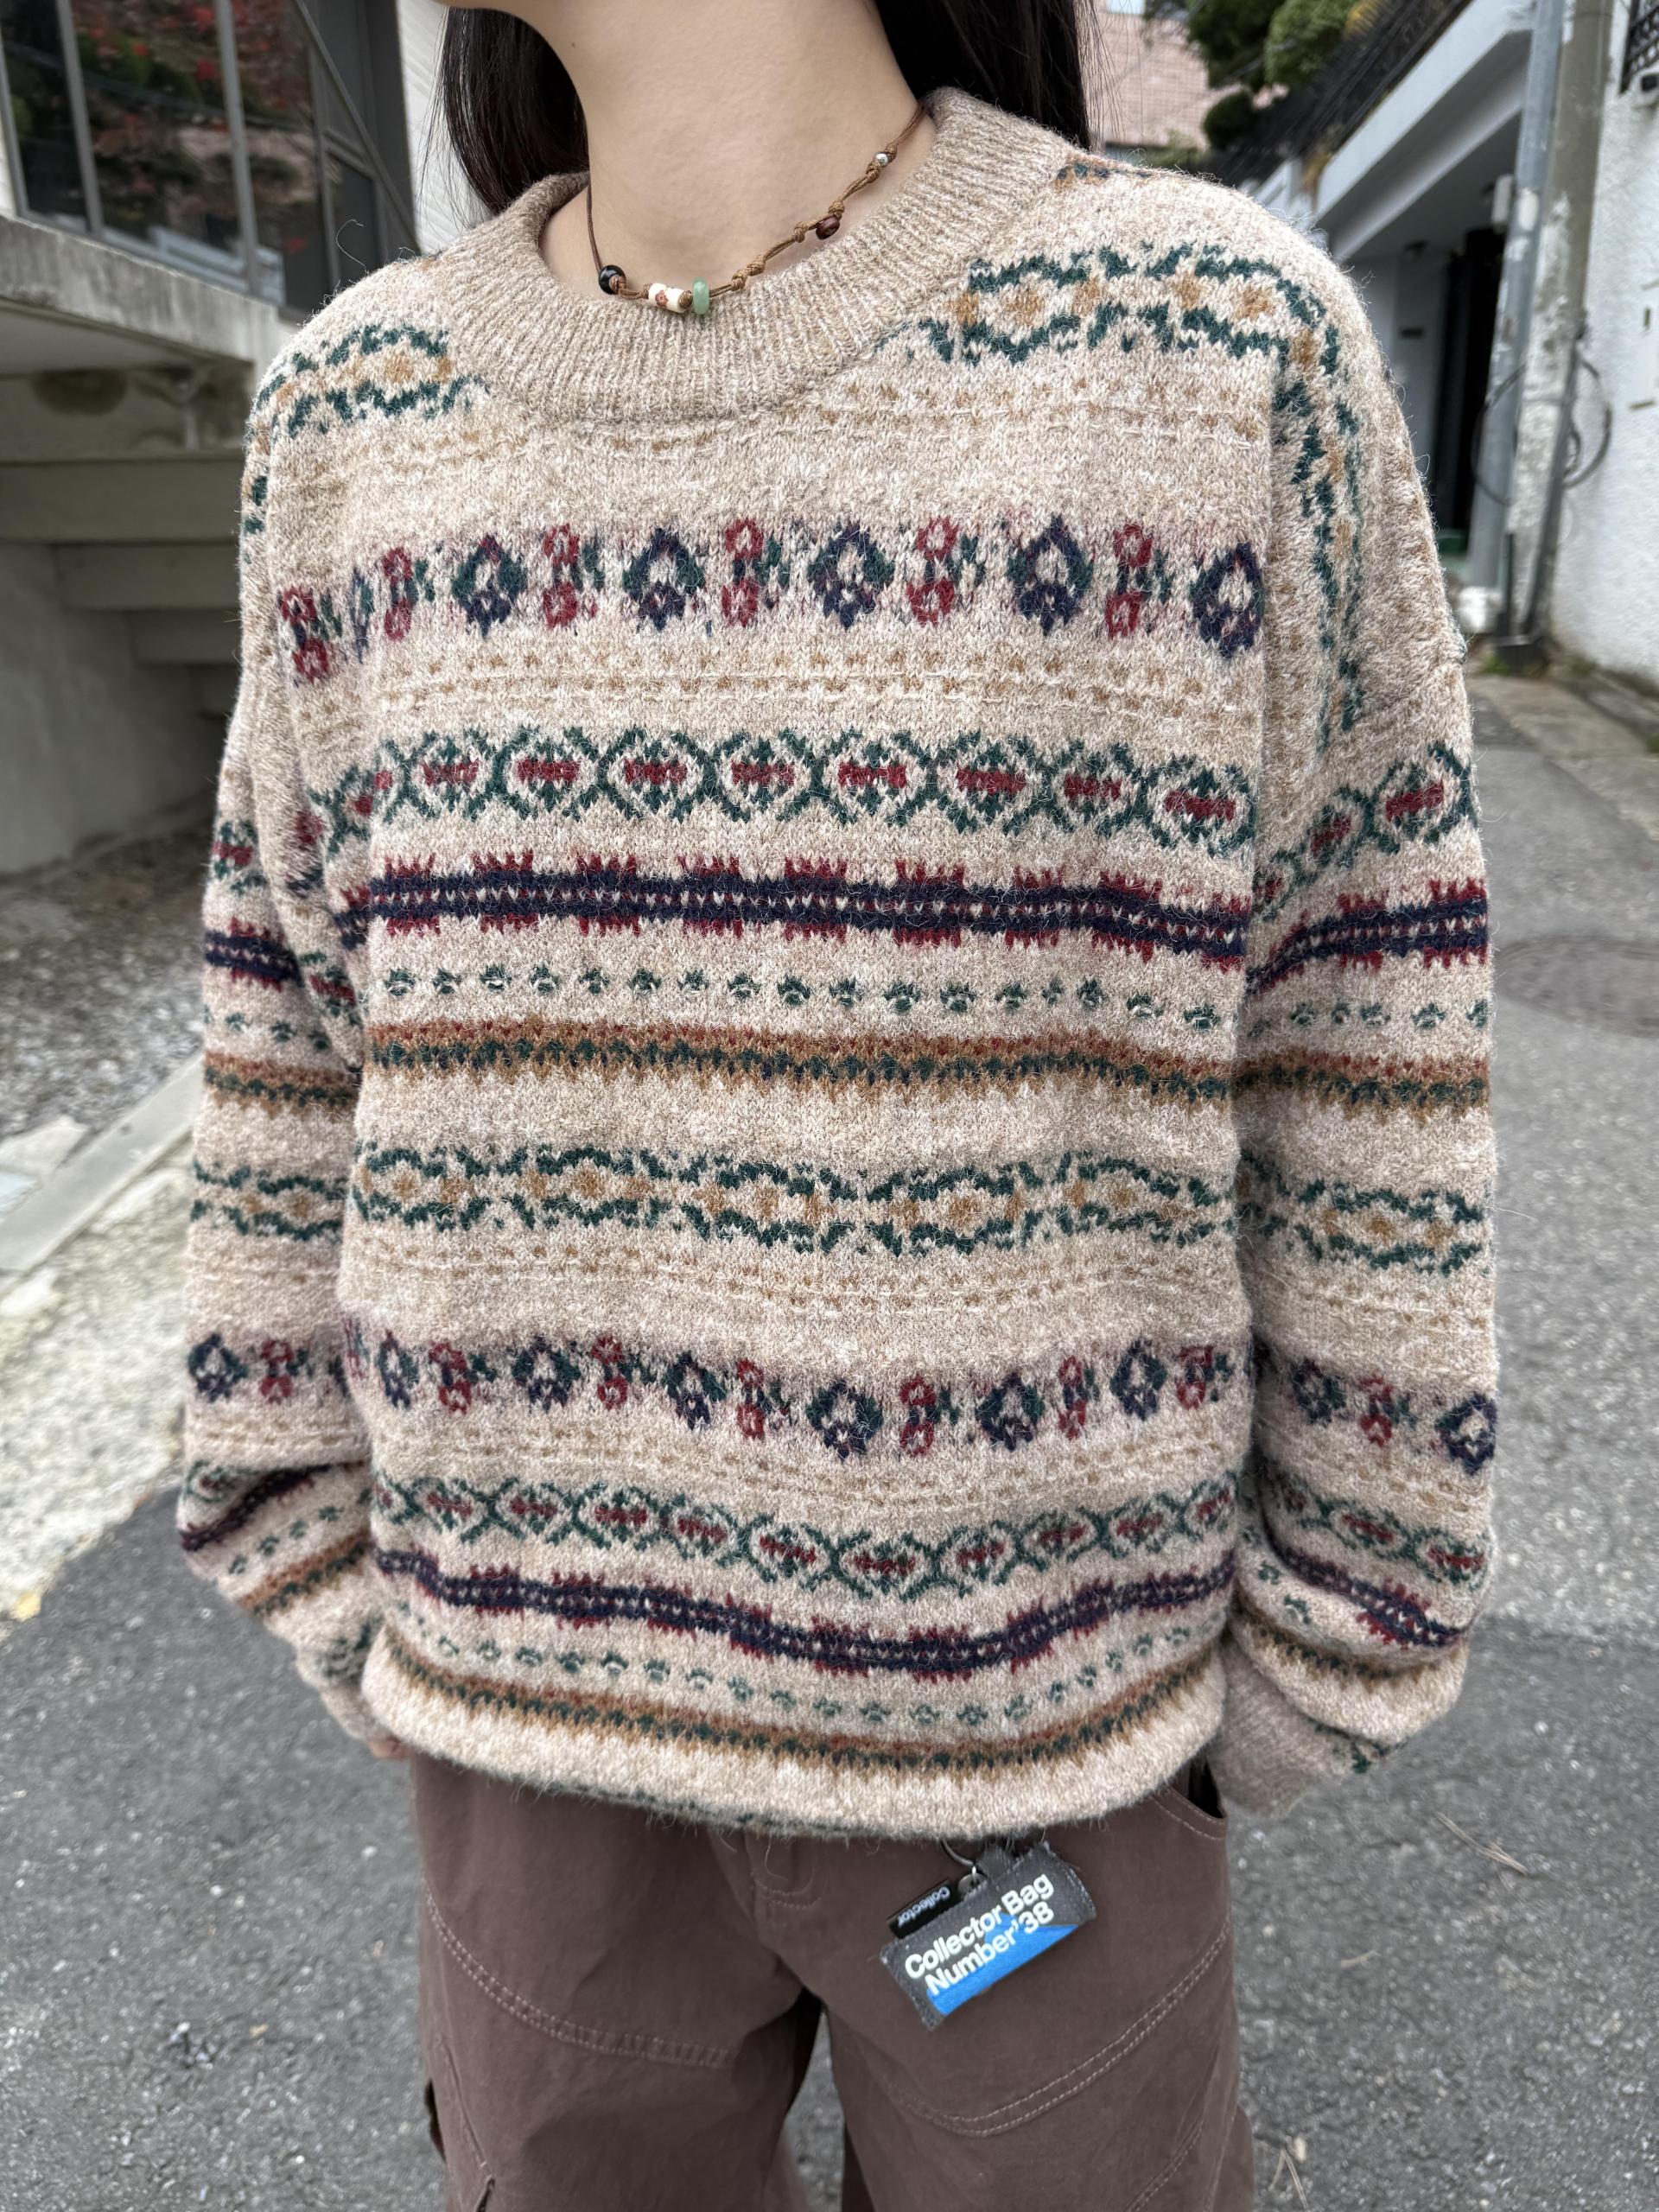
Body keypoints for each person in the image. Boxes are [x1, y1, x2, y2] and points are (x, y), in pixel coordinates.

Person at [178, 1, 1498, 2203]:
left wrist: (1339, 1628)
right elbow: (287, 1025)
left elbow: (1366, 1032)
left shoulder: (1214, 355)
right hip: (524, 1738)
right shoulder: (353, 414)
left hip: (1054, 1744)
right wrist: (299, 1521)